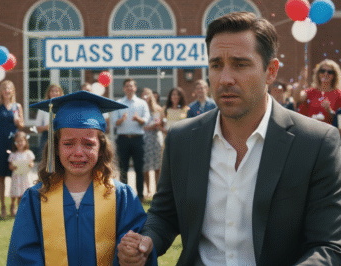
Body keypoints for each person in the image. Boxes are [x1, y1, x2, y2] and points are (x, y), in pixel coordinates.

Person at [118, 12, 341, 265]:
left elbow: (328, 245)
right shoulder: (181, 138)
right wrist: (147, 241)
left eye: (240, 64)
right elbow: (165, 215)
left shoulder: (315, 143)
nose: (225, 78)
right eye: (216, 65)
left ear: (271, 71)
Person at [7, 91, 158, 265]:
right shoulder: (35, 199)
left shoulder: (122, 198)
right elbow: (23, 256)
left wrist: (132, 255)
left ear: (101, 148)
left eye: (89, 144)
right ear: (56, 148)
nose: (78, 153)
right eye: (68, 143)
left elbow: (138, 251)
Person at [111, 79, 150, 201]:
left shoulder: (142, 103)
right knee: (123, 169)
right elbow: (113, 122)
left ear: (135, 88)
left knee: (139, 168)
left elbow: (146, 120)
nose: (129, 88)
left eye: (131, 86)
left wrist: (138, 119)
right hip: (123, 139)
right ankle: (124, 195)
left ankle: (140, 195)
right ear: (124, 89)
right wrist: (121, 120)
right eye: (126, 86)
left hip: (138, 139)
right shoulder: (119, 103)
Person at [0, 80, 24, 218]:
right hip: (0, 142)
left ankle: (13, 204)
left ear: (13, 91)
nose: (6, 91)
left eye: (9, 88)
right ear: (1, 91)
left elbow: (22, 125)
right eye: (4, 88)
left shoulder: (17, 106)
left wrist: (18, 122)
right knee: (1, 175)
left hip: (13, 144)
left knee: (15, 175)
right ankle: (3, 205)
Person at [294, 59, 341, 124]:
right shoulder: (310, 92)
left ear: (334, 75)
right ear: (318, 74)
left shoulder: (338, 94)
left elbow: (340, 121)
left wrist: (329, 111)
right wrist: (302, 79)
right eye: (322, 71)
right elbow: (297, 97)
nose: (325, 74)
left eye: (330, 72)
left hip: (329, 132)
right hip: (311, 130)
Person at [141, 88, 163, 198]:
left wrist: (157, 125)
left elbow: (161, 123)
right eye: (143, 95)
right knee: (145, 167)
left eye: (147, 94)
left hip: (156, 139)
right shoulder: (140, 109)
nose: (145, 96)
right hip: (145, 139)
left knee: (157, 166)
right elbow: (140, 126)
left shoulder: (158, 109)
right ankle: (149, 190)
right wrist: (150, 127)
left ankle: (157, 190)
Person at [8, 131, 34, 217]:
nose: (19, 143)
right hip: (17, 177)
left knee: (24, 194)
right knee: (17, 193)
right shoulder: (13, 154)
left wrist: (30, 165)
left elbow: (32, 163)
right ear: (15, 143)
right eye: (17, 142)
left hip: (25, 177)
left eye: (21, 141)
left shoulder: (28, 153)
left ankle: (23, 210)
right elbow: (10, 166)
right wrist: (14, 167)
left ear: (25, 141)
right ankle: (13, 206)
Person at [34, 84, 64, 159]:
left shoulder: (64, 107)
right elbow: (37, 128)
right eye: (52, 91)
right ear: (48, 93)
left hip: (61, 136)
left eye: (57, 91)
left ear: (60, 93)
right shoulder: (43, 108)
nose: (54, 93)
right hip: (46, 137)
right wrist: (46, 127)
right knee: (45, 161)